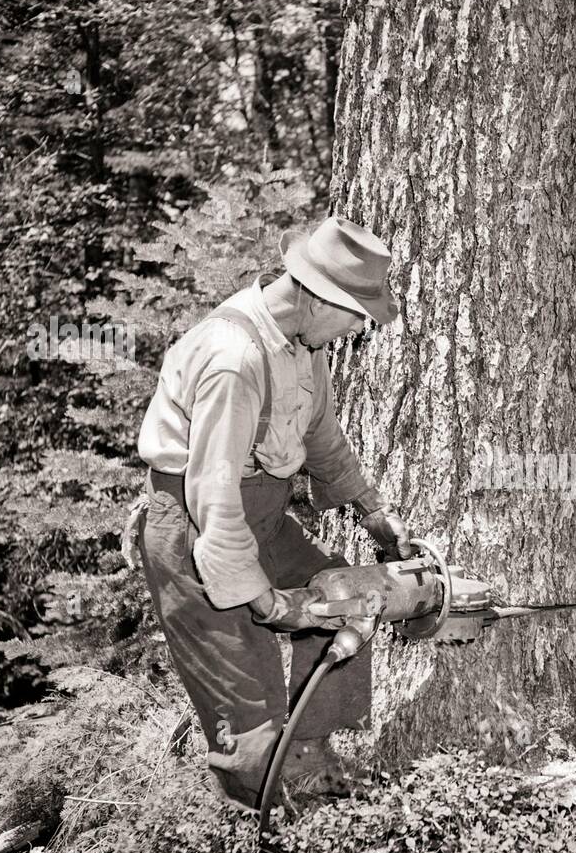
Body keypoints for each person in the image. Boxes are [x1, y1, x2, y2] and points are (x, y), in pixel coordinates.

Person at [128, 217, 413, 811]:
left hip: (261, 517)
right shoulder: (234, 358)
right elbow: (213, 496)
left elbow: (322, 438)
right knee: (248, 702)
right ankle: (260, 836)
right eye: (356, 315)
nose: (359, 328)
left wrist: (371, 512)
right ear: (318, 297)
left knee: (343, 598)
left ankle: (309, 758)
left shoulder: (302, 345)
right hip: (195, 528)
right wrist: (257, 597)